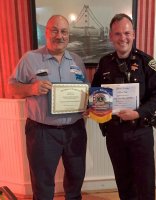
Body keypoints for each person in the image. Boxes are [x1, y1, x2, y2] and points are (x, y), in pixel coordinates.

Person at [8, 15, 89, 200]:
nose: (59, 36)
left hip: (75, 130)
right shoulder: (30, 58)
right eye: (54, 30)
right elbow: (11, 87)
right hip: (42, 132)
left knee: (76, 179)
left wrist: (88, 104)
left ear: (68, 35)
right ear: (46, 32)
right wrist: (31, 88)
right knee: (43, 184)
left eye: (64, 32)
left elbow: (85, 89)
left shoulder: (77, 60)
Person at [91, 13, 156, 200]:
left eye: (126, 33)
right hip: (114, 132)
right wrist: (95, 108)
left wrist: (138, 113)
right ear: (111, 36)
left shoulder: (146, 62)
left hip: (140, 131)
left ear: (133, 34)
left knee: (144, 181)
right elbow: (96, 93)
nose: (122, 38)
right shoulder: (105, 62)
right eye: (117, 34)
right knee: (123, 180)